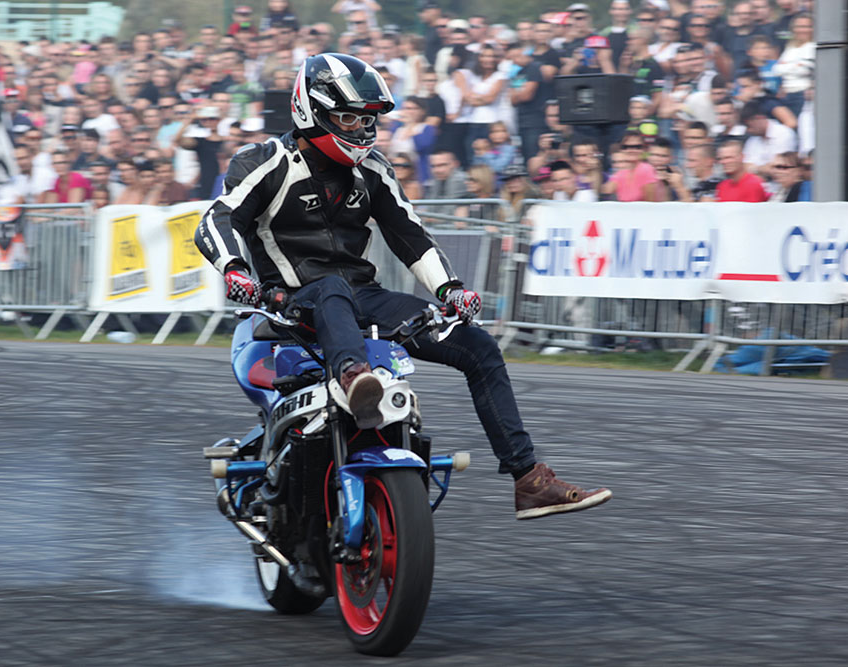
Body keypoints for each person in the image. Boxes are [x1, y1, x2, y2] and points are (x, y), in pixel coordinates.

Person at [195, 54, 611, 520]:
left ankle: (529, 479)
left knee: (479, 347)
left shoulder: (372, 169)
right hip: (289, 302)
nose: (360, 129)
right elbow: (218, 217)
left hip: (361, 300)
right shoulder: (266, 161)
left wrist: (451, 290)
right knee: (332, 287)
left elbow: (411, 237)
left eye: (367, 119)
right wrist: (234, 269)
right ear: (309, 111)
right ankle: (355, 380)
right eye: (348, 117)